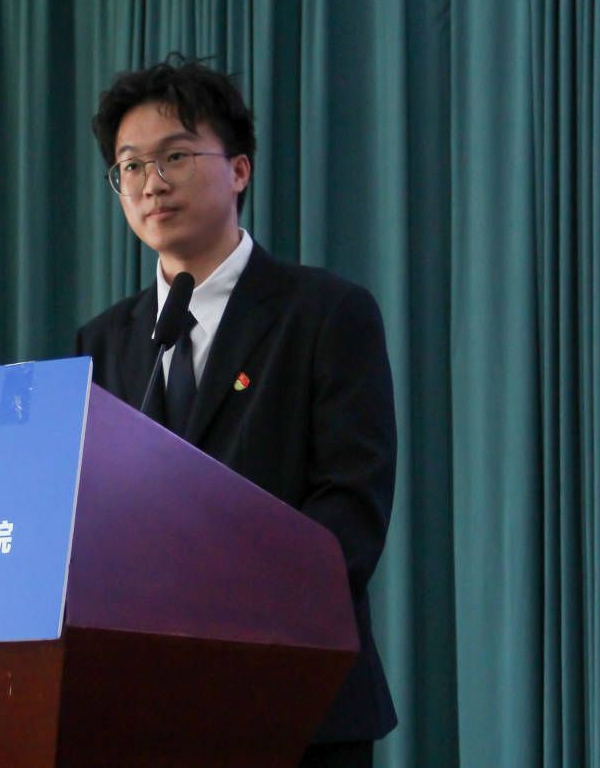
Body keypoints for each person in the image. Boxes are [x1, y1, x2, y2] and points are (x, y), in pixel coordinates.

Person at [74, 56, 397, 767]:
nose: (151, 182)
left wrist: (221, 616)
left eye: (175, 156)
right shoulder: (100, 343)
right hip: (142, 708)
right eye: (130, 166)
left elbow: (350, 510)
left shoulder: (325, 314)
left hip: (294, 701)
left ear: (240, 171)